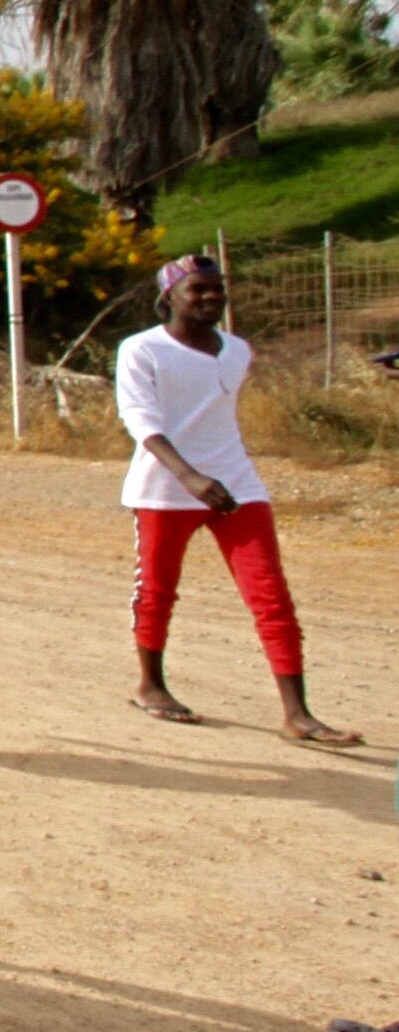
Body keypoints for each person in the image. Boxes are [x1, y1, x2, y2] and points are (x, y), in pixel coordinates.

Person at [117, 255, 361, 745]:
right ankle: (151, 685)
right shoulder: (141, 349)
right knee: (157, 591)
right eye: (198, 289)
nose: (211, 297)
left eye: (217, 288)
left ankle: (297, 714)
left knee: (271, 596)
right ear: (169, 297)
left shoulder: (237, 350)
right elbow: (140, 418)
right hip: (166, 488)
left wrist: (212, 475)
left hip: (237, 485)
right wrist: (189, 476)